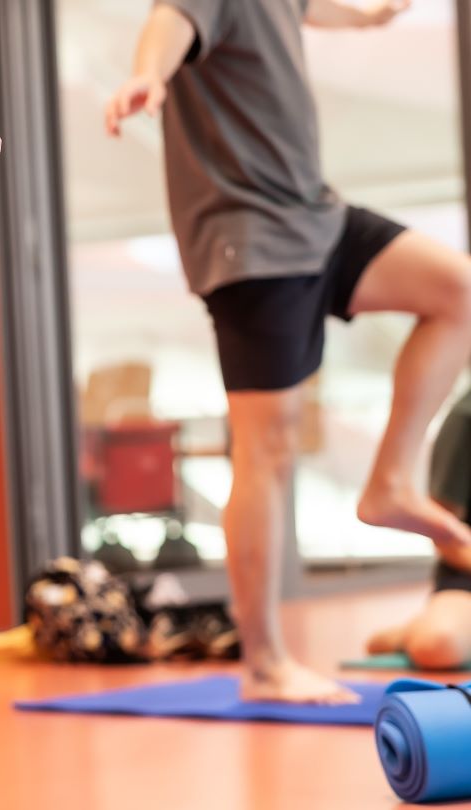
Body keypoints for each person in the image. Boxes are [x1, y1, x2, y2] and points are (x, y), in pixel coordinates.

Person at [105, 0, 471, 703]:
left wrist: (364, 20)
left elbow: (308, 9)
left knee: (455, 290)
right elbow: (170, 21)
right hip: (252, 239)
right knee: (264, 451)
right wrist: (147, 74)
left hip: (316, 217)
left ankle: (391, 483)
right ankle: (266, 663)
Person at [366, 388, 471, 670]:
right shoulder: (466, 416)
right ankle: (409, 633)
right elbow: (446, 536)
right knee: (438, 644)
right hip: (466, 578)